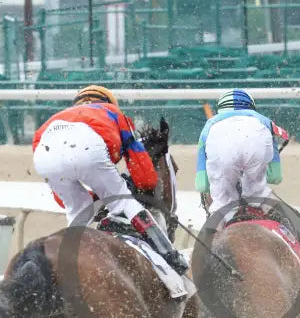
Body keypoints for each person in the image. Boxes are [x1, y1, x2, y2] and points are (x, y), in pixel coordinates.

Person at [32, 84, 189, 274]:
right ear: (108, 102)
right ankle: (169, 254)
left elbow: (59, 188)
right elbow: (136, 156)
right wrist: (145, 185)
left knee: (78, 210)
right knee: (125, 203)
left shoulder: (54, 118)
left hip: (44, 157)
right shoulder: (113, 112)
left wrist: (94, 199)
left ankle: (65, 261)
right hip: (88, 150)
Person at [196, 89, 293, 227]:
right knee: (261, 198)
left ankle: (209, 239)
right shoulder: (264, 122)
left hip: (224, 191)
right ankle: (295, 235)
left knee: (220, 206)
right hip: (257, 169)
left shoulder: (209, 127)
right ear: (251, 107)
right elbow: (275, 178)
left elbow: (202, 185)